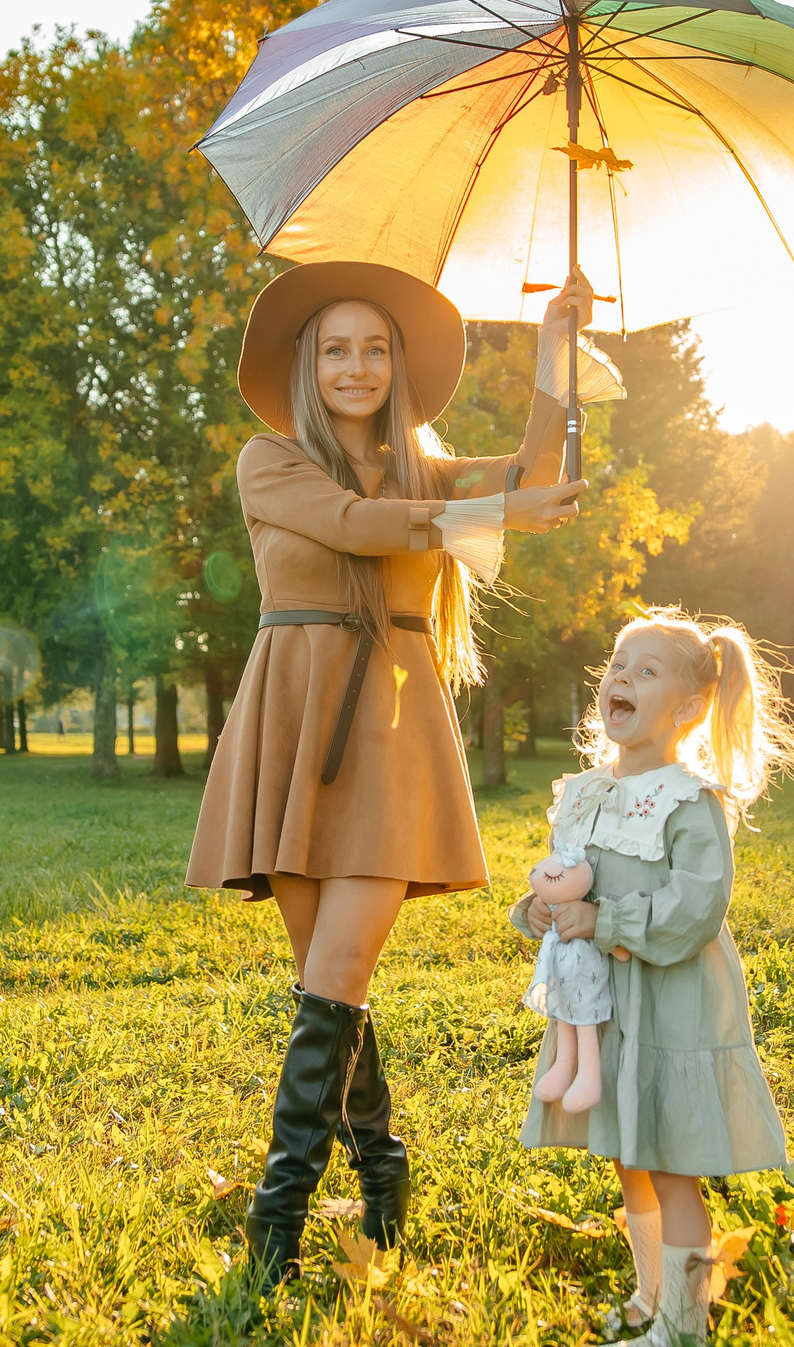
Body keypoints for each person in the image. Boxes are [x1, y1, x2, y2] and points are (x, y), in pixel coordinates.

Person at [186, 258, 604, 1284]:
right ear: (307, 365)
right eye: (337, 348)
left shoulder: (430, 476)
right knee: (329, 985)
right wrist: (482, 518)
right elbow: (349, 524)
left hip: (390, 731)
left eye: (375, 348)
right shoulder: (269, 461)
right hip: (291, 726)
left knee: (336, 976)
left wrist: (555, 352)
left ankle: (274, 1232)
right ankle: (384, 1174)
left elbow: (528, 471)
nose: (357, 365)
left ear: (398, 366)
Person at [510, 608, 794, 1345]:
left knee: (670, 1165)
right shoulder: (585, 791)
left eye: (645, 672)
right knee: (627, 1154)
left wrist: (606, 922)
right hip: (607, 1006)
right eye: (617, 665)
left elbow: (697, 907)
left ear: (686, 709)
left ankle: (684, 1327)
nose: (621, 678)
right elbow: (565, 874)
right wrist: (541, 909)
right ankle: (652, 1294)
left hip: (671, 1002)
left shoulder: (688, 799)